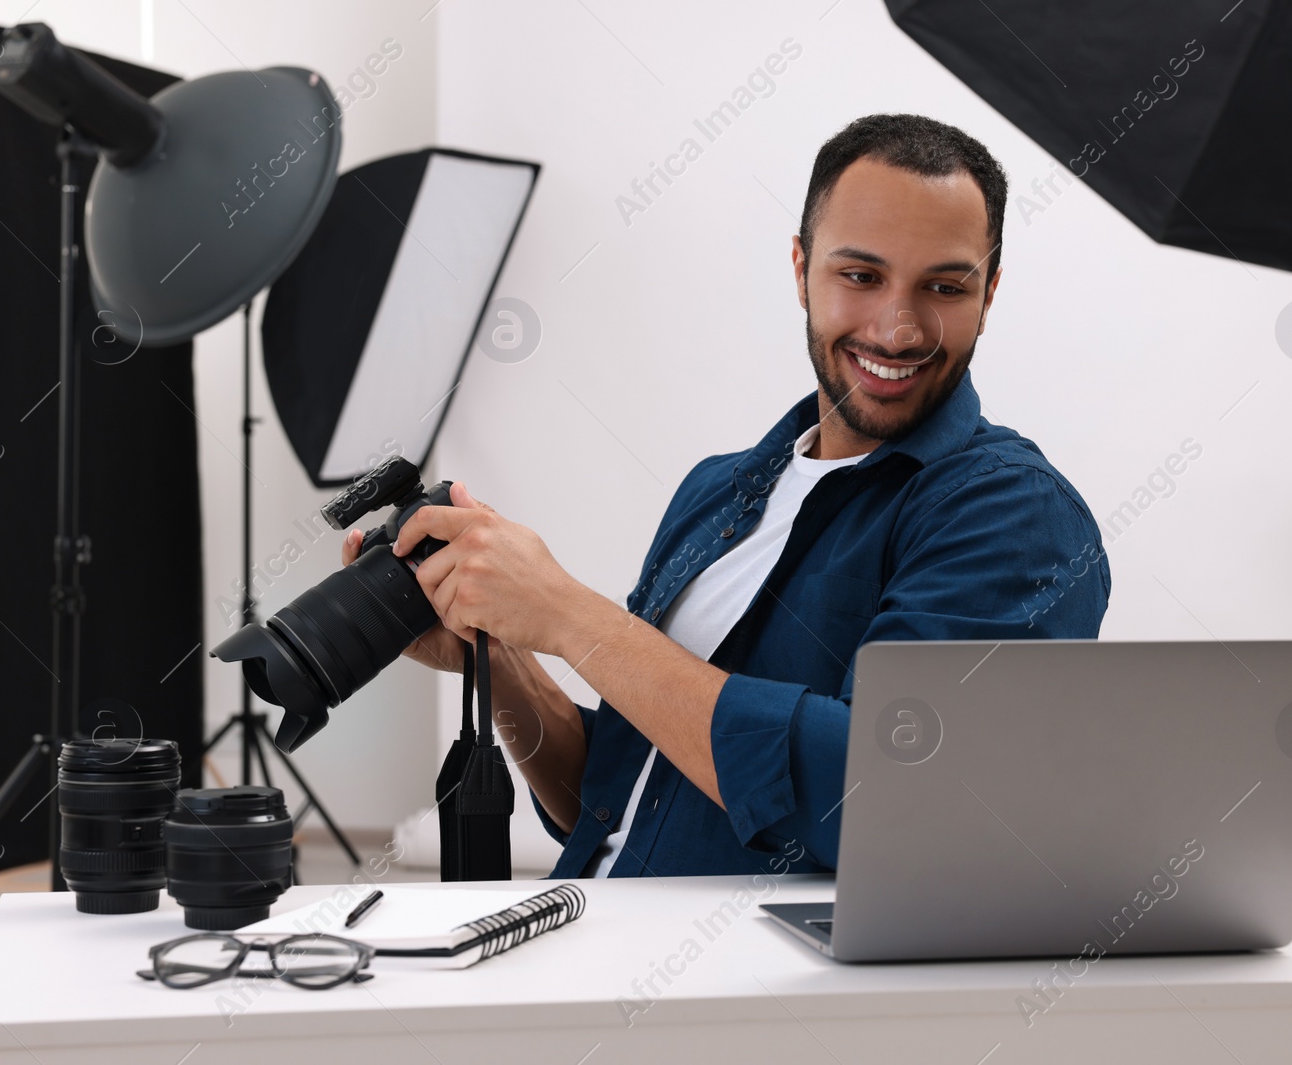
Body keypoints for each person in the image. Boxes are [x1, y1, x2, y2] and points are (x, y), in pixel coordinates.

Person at [340, 113, 1110, 878]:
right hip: (585, 942)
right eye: (861, 275)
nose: (897, 327)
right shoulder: (721, 490)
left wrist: (568, 614)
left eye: (943, 286)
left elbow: (887, 800)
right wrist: (502, 652)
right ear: (801, 267)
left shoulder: (1014, 516)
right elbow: (607, 805)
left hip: (747, 992)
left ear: (990, 293)